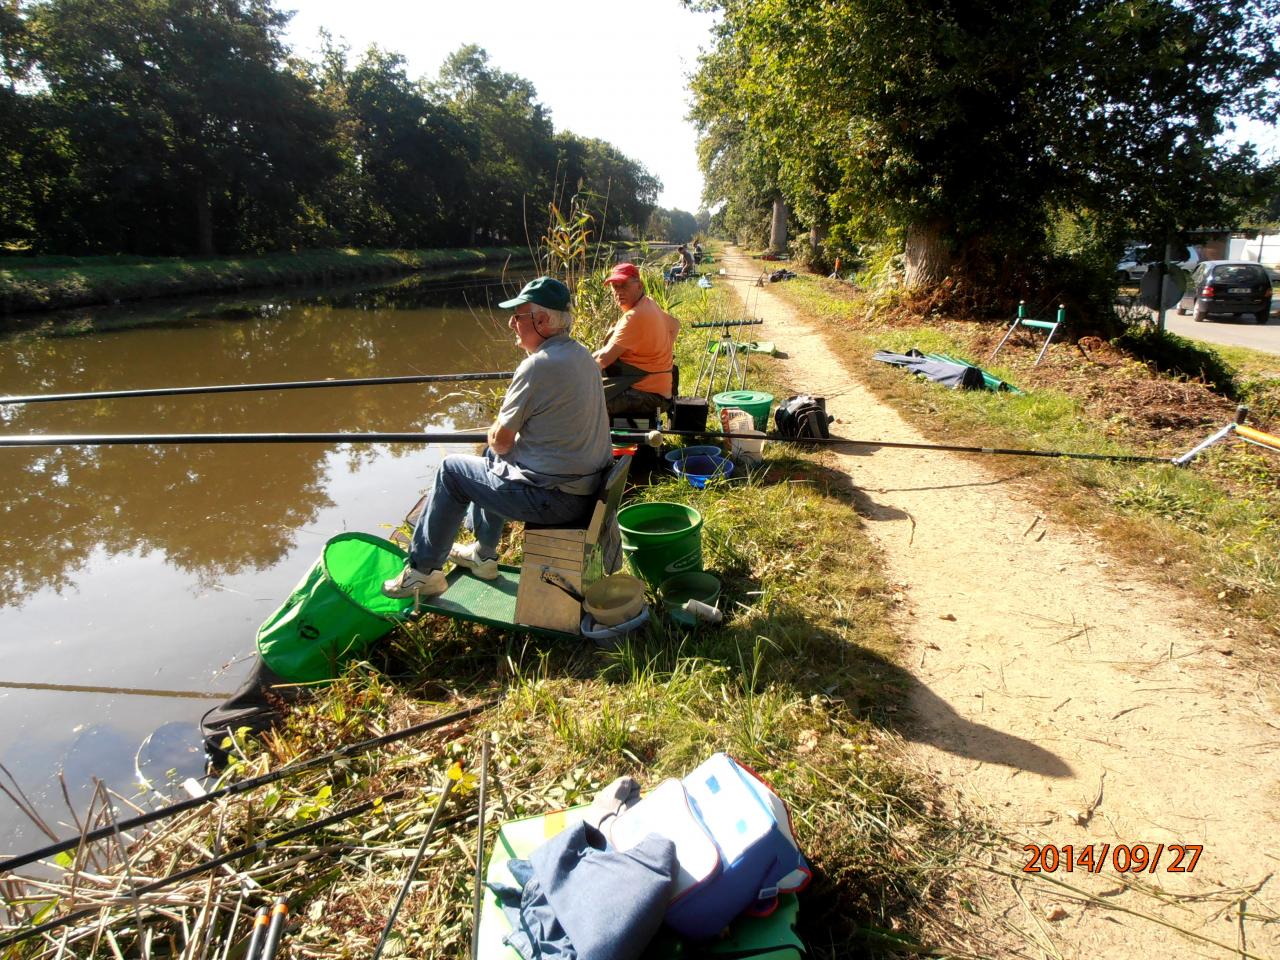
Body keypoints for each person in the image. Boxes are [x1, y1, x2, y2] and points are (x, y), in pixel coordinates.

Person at [383, 276, 612, 599]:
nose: (511, 323)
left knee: (452, 471)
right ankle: (483, 554)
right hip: (583, 488)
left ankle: (422, 572)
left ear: (542, 320)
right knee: (492, 459)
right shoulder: (583, 356)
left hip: (555, 500)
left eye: (518, 316)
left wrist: (496, 428)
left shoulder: (538, 366)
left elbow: (501, 440)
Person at [594, 262, 680, 420]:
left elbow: (602, 359)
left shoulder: (635, 316)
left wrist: (573, 370)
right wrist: (660, 357)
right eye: (615, 287)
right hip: (661, 391)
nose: (618, 292)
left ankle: (595, 443)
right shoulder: (649, 304)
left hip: (648, 395)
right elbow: (675, 325)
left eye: (624, 285)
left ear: (639, 286)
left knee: (585, 403)